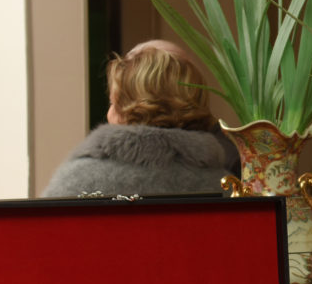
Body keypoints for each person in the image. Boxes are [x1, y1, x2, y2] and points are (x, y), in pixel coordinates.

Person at [42, 40, 234, 198]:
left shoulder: (76, 182)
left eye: (113, 103)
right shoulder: (228, 187)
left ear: (126, 111)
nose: (109, 114)